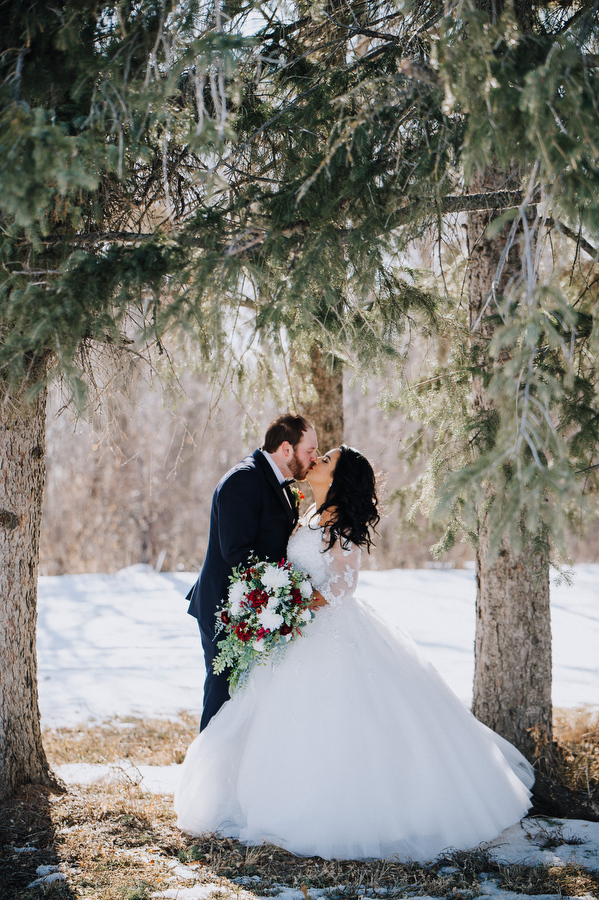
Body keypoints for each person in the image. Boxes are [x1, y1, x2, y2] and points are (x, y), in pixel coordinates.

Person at [176, 445, 535, 861]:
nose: (316, 462)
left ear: (336, 478)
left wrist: (292, 600)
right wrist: (281, 599)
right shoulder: (310, 515)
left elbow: (343, 588)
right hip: (299, 631)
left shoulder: (340, 525)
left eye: (325, 460)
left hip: (330, 631)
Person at [185, 413, 318, 731]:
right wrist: (285, 585)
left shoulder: (280, 484)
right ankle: (207, 775)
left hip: (256, 606)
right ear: (287, 448)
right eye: (309, 450)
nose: (314, 458)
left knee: (246, 697)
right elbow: (236, 552)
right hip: (226, 608)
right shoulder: (243, 479)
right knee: (222, 694)